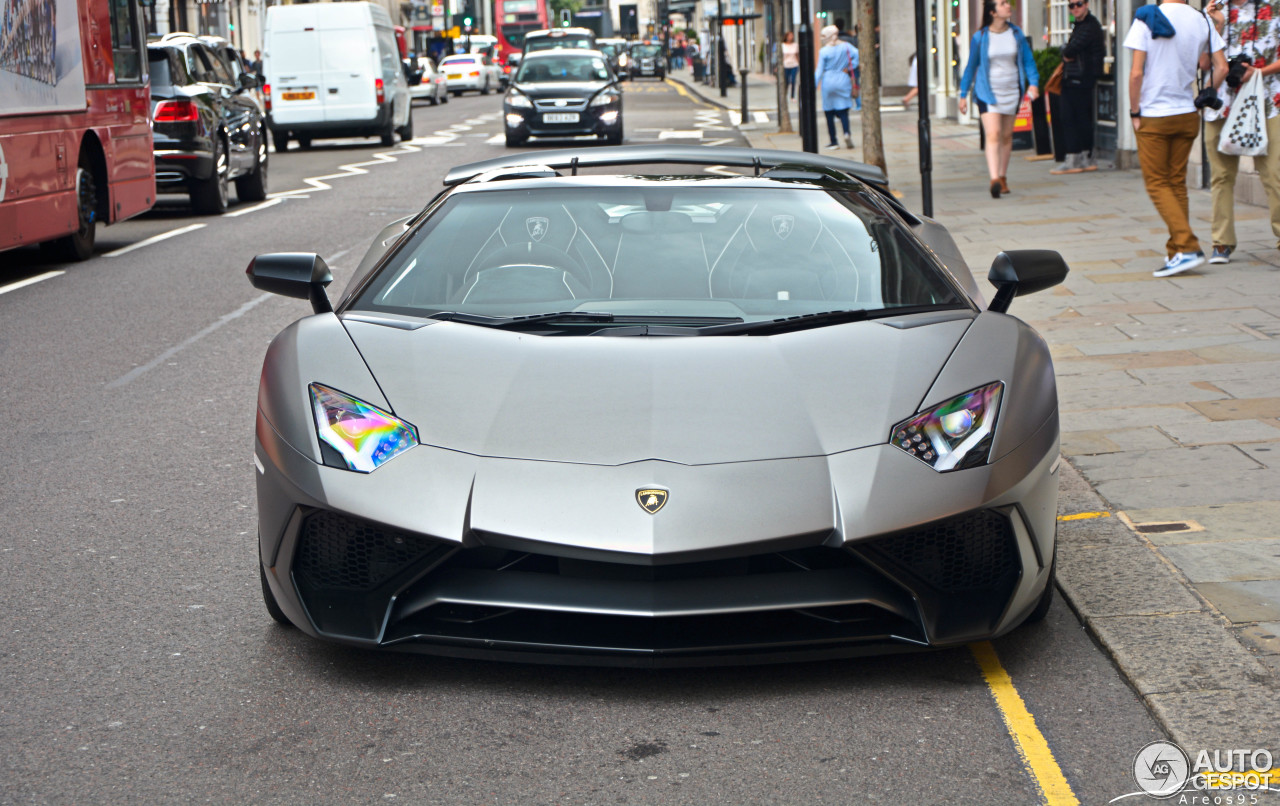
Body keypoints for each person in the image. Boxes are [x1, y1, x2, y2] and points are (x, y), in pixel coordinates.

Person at [1125, 0, 1228, 276]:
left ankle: (1188, 245)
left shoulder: (1148, 16)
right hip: (1187, 112)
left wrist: (1134, 110)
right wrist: (1206, 94)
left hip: (1154, 114)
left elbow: (1136, 73)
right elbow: (1219, 67)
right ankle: (1178, 252)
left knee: (1157, 183)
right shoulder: (1201, 20)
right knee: (1175, 183)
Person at [1203, 0, 1280, 266]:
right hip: (1222, 103)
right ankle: (1221, 242)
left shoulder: (1275, 6)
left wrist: (1259, 71)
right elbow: (1204, 63)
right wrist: (1218, 25)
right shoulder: (1215, 10)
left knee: (1274, 173)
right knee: (1221, 175)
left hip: (1268, 100)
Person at [958, 0, 1040, 199]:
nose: (1008, 6)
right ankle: (994, 178)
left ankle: (1003, 176)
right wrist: (963, 94)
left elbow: (1028, 61)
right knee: (993, 134)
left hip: (1012, 91)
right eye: (1003, 3)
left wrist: (1034, 83)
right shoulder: (981, 37)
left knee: (1006, 136)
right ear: (993, 12)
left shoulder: (1016, 34)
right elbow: (971, 66)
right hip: (988, 92)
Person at [1050, 0, 1106, 174]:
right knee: (1074, 117)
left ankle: (1078, 157)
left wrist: (1066, 51)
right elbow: (1068, 50)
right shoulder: (1080, 25)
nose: (1075, 8)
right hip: (1075, 77)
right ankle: (1082, 157)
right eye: (1071, 5)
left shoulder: (1090, 26)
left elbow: (1070, 50)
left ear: (1087, 4)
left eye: (1078, 4)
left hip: (1081, 77)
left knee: (1074, 117)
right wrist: (1066, 51)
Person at [815, 25, 856, 150]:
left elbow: (819, 70)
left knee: (829, 112)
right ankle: (846, 133)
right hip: (843, 79)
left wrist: (813, 85)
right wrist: (848, 68)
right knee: (843, 110)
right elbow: (858, 56)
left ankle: (834, 141)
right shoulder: (846, 46)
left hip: (828, 81)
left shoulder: (823, 51)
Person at [835, 17, 861, 111]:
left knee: (842, 87)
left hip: (840, 68)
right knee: (855, 84)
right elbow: (856, 54)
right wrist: (852, 66)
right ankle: (858, 104)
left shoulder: (835, 40)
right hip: (851, 67)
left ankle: (847, 104)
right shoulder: (850, 38)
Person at [781, 31, 799, 99]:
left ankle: (792, 96)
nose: (791, 37)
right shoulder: (783, 45)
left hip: (794, 64)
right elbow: (781, 57)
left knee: (793, 80)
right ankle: (785, 95)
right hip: (786, 65)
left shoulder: (795, 45)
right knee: (786, 81)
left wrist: (799, 63)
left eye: (792, 36)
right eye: (789, 36)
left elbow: (797, 55)